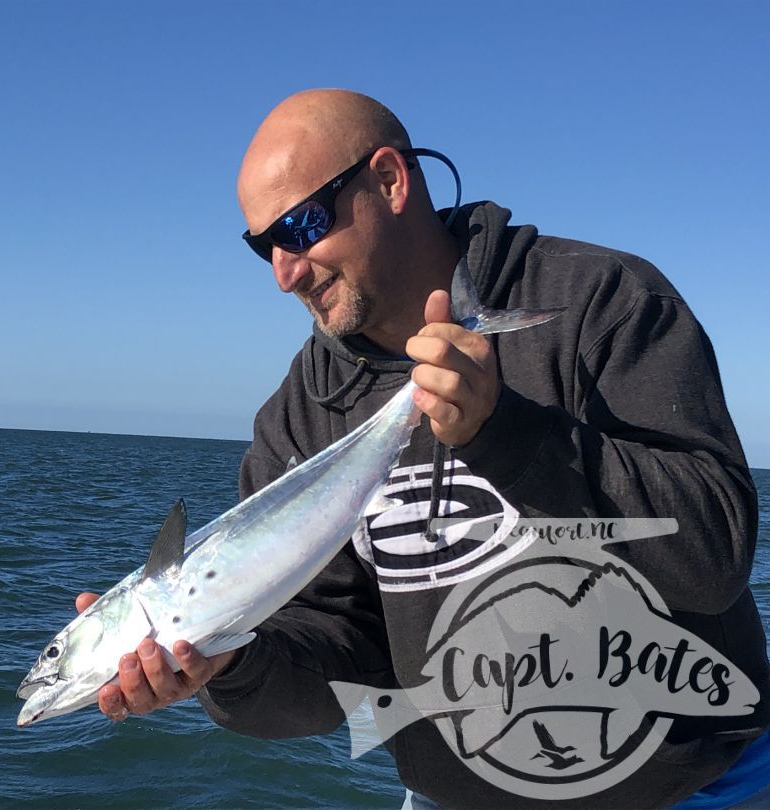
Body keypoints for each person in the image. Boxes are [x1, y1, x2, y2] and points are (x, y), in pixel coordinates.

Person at [75, 89, 770, 807]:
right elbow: (343, 662)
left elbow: (714, 556)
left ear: (390, 180)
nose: (285, 272)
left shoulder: (601, 302)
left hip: (699, 790)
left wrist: (506, 433)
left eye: (302, 226)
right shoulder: (301, 416)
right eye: (264, 246)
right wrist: (228, 666)